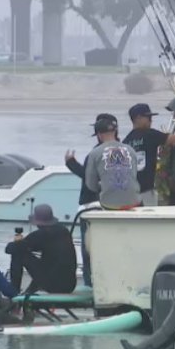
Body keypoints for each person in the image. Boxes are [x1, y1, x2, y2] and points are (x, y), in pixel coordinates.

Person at [64, 113, 117, 287]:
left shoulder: (96, 153)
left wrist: (72, 164)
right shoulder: (123, 151)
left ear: (99, 133)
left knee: (89, 251)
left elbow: (91, 180)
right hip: (114, 206)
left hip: (92, 207)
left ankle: (90, 285)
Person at [122, 103, 175, 206]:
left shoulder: (126, 141)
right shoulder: (150, 134)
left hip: (130, 190)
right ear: (138, 118)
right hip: (146, 190)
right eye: (148, 117)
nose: (151, 121)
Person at [4, 204, 77, 294]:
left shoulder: (41, 234)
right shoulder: (64, 231)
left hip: (54, 286)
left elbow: (9, 249)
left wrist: (17, 242)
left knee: (18, 253)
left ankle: (14, 292)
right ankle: (29, 291)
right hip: (70, 285)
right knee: (48, 263)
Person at [85, 117, 142, 209]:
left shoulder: (95, 153)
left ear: (99, 135)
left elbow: (91, 185)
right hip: (134, 202)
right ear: (115, 132)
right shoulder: (131, 150)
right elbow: (134, 175)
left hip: (109, 204)